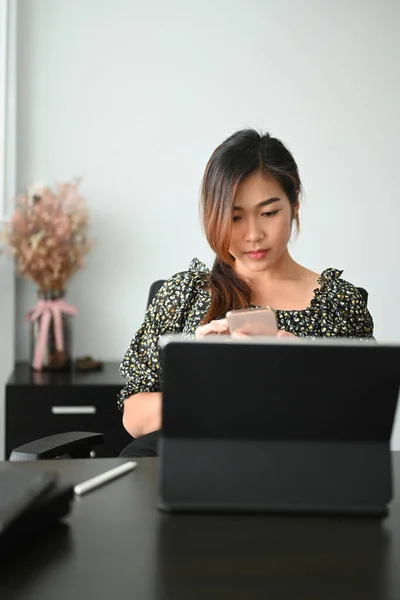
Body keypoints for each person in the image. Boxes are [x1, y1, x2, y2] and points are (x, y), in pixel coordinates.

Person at [117, 129, 374, 457]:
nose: (253, 234)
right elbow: (134, 420)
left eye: (268, 213)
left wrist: (308, 375)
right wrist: (202, 378)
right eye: (235, 217)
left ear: (294, 201)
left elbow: (362, 427)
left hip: (301, 474)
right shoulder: (182, 296)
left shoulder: (339, 305)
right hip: (197, 475)